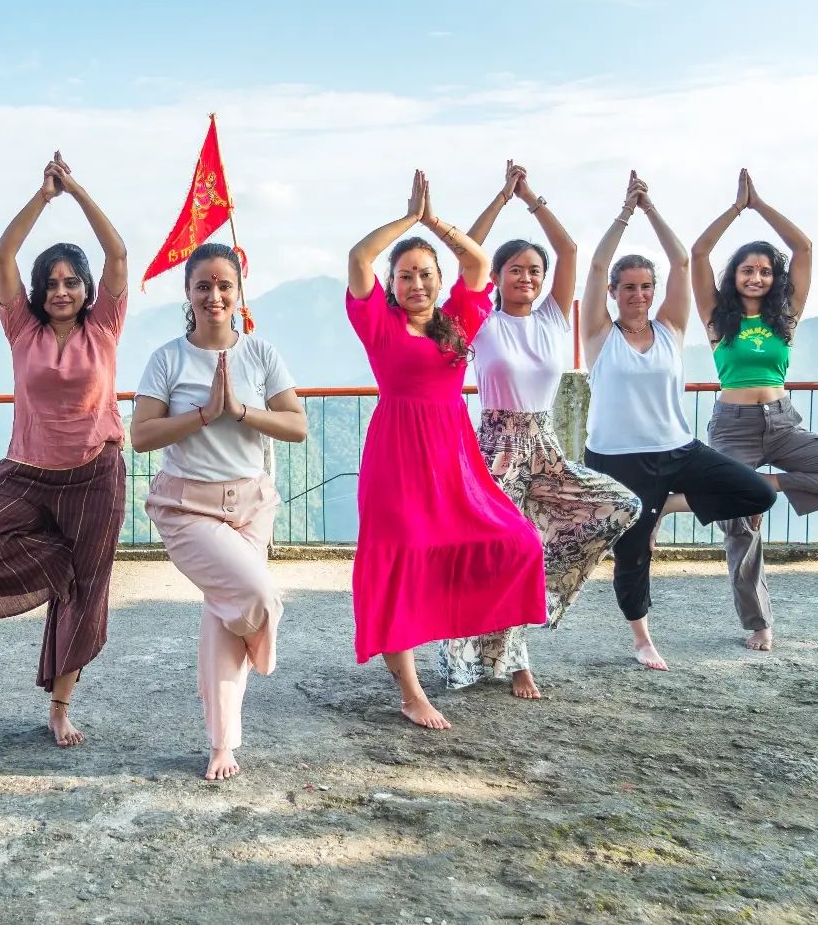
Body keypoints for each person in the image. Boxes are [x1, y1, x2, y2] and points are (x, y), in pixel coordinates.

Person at [0, 154, 129, 748]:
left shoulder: (105, 327)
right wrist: (42, 197)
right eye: (51, 283)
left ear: (87, 289)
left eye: (71, 282)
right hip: (26, 475)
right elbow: (1, 258)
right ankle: (55, 565)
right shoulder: (23, 329)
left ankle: (60, 706)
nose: (60, 290)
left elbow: (118, 255)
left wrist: (79, 191)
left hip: (95, 478)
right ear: (37, 292)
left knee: (87, 596)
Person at [345, 170, 546, 730]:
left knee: (517, 540)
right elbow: (360, 258)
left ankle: (488, 648)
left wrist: (437, 224)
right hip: (396, 457)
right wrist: (409, 221)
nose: (416, 284)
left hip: (452, 457)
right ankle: (410, 691)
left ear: (438, 280)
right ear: (394, 284)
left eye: (426, 275)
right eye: (406, 276)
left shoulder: (457, 322)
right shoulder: (380, 325)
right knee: (401, 563)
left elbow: (479, 266)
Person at [439, 162, 640, 699]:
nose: (525, 277)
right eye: (514, 270)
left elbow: (570, 250)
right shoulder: (481, 319)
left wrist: (531, 197)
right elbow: (467, 255)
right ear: (497, 277)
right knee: (502, 551)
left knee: (620, 506)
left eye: (533, 270)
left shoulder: (553, 317)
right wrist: (500, 198)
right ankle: (514, 662)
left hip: (544, 447)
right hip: (494, 449)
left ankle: (524, 629)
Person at [580, 172, 777, 671]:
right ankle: (642, 639)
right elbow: (599, 260)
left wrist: (651, 209)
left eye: (647, 287)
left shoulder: (670, 328)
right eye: (629, 288)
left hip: (677, 450)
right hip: (617, 459)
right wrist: (626, 213)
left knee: (758, 494)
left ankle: (664, 506)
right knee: (632, 557)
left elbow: (683, 260)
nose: (640, 295)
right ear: (613, 291)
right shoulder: (600, 334)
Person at [131, 242, 308, 781]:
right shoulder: (168, 358)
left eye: (224, 285)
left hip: (251, 504)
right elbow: (140, 436)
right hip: (188, 507)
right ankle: (267, 640)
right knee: (254, 597)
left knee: (222, 618)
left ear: (238, 292)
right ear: (188, 291)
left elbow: (297, 426)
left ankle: (221, 744)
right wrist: (205, 414)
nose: (214, 295)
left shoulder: (260, 354)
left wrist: (241, 410)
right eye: (203, 286)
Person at [691, 169, 818, 652]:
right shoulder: (718, 318)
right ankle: (758, 623)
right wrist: (736, 209)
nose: (756, 277)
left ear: (774, 279)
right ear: (734, 277)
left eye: (764, 271)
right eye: (747, 270)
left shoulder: (785, 318)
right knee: (739, 531)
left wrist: (761, 205)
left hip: (782, 424)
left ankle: (767, 488)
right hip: (733, 430)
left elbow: (804, 249)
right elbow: (697, 253)